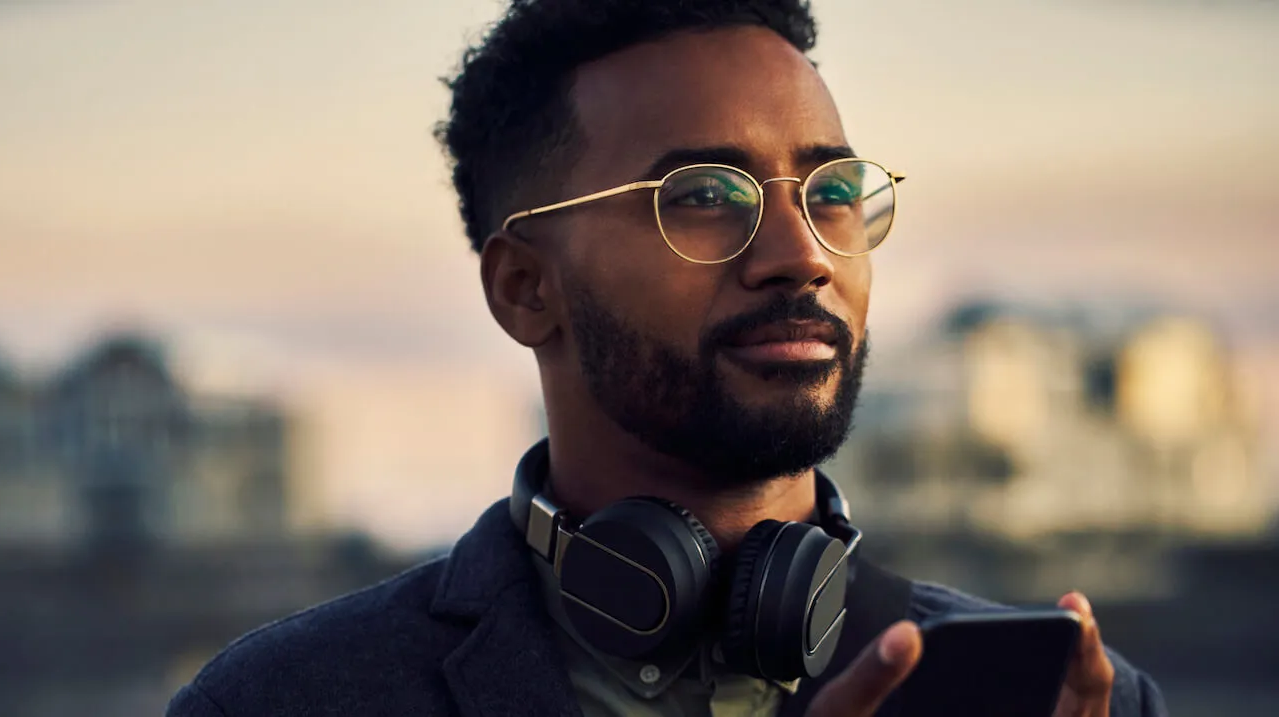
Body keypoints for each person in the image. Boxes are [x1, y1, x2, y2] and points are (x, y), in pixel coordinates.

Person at [166, 1, 1168, 715]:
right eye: (702, 196)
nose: (800, 258)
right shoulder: (284, 701)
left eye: (829, 193)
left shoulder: (1070, 701)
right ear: (524, 288)